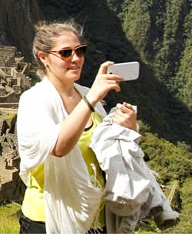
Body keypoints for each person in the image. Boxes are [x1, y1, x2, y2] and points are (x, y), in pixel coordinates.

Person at [17, 21, 138, 234]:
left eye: (79, 51)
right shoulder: (34, 101)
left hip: (96, 219)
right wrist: (92, 99)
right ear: (43, 57)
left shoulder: (85, 94)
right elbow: (58, 148)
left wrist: (128, 130)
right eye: (65, 53)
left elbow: (105, 152)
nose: (76, 59)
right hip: (49, 220)